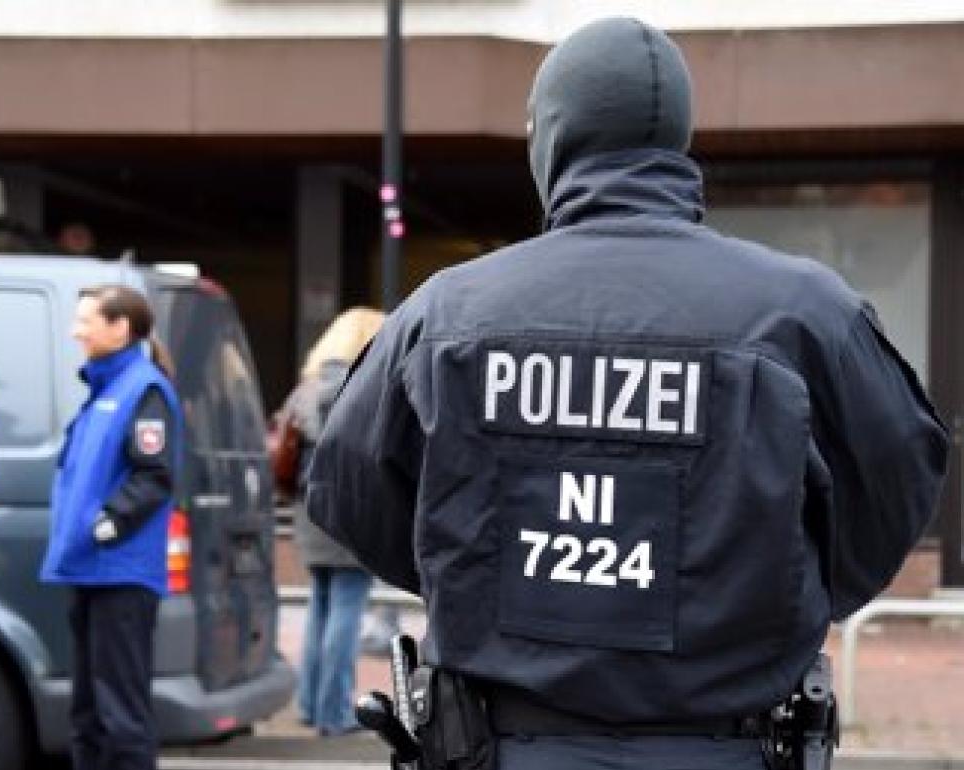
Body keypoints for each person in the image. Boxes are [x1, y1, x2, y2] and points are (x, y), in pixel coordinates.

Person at [307, 16, 948, 770]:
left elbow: (347, 487)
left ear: (551, 141)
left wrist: (477, 580)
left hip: (506, 748)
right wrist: (778, 594)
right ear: (678, 141)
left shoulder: (446, 315)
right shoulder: (804, 313)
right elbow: (898, 480)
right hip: (725, 746)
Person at [40, 285, 183, 770]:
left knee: (121, 715)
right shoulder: (106, 388)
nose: (75, 331)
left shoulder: (142, 390)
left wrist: (108, 524)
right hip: (89, 567)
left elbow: (154, 474)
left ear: (120, 329)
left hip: (119, 571)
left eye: (86, 321)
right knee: (88, 714)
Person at [278, 307, 385, 736]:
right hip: (348, 510)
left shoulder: (305, 389)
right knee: (346, 609)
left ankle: (309, 704)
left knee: (320, 606)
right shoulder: (360, 385)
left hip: (308, 511)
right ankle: (335, 712)